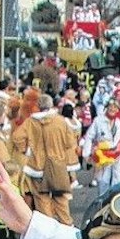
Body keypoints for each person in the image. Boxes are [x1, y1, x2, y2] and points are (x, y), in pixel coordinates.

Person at [12, 95, 79, 224]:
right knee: (61, 197)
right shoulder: (61, 121)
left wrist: (26, 150)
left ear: (38, 106)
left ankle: (47, 226)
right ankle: (66, 224)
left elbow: (17, 137)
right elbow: (70, 142)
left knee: (41, 199)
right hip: (58, 165)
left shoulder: (30, 122)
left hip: (36, 166)